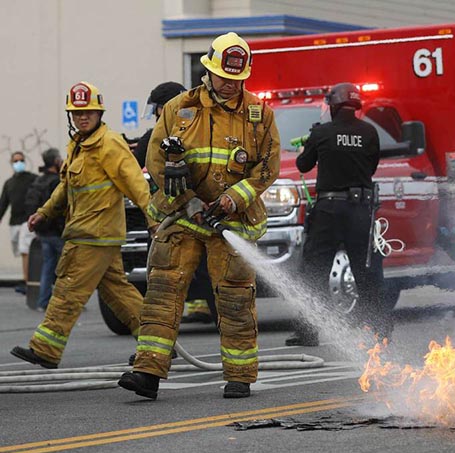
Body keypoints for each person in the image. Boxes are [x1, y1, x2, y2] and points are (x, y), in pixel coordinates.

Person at [119, 32, 280, 400]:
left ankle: (239, 376)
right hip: (183, 216)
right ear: (209, 70)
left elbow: (267, 167)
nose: (231, 85)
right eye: (225, 77)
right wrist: (188, 199)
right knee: (163, 292)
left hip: (231, 221)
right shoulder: (179, 108)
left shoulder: (259, 114)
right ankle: (147, 372)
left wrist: (233, 199)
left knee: (235, 297)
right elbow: (155, 160)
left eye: (238, 79)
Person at [10, 82, 154, 369]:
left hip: (94, 234)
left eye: (88, 112)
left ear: (99, 113)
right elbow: (65, 188)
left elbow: (136, 183)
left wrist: (153, 220)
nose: (82, 117)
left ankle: (46, 349)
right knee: (118, 292)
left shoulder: (109, 143)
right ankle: (158, 345)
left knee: (67, 288)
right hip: (92, 233)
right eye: (76, 113)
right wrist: (43, 213)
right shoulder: (77, 146)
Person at [285, 82, 390, 347]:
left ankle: (309, 332)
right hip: (361, 210)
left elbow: (302, 164)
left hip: (329, 211)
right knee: (366, 271)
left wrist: (307, 148)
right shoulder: (369, 133)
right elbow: (372, 167)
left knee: (315, 270)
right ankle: (379, 331)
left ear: (333, 105)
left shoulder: (322, 133)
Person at [138, 81, 214, 324]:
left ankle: (159, 345)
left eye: (158, 109)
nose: (156, 116)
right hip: (200, 216)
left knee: (166, 280)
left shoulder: (155, 137)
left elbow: (137, 160)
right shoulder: (203, 131)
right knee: (204, 271)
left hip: (173, 220)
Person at [25, 148, 65, 311]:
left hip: (42, 232)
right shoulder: (56, 181)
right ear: (55, 161)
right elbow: (59, 206)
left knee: (48, 266)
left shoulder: (38, 181)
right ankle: (66, 303)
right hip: (56, 232)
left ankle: (43, 302)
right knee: (68, 267)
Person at [0, 151, 38, 294]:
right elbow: (3, 203)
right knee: (19, 250)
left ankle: (28, 282)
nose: (18, 163)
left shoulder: (33, 179)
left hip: (27, 221)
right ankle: (29, 280)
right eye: (15, 161)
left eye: (21, 160)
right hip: (14, 222)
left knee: (24, 250)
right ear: (11, 163)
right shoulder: (9, 183)